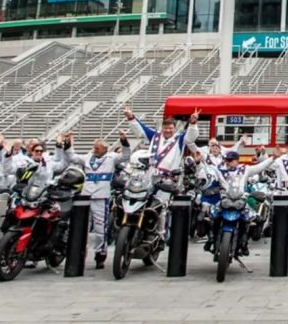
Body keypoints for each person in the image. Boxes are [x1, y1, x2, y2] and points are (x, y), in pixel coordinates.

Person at [65, 136, 125, 268]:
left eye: (97, 148)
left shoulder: (111, 158)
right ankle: (81, 253)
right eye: (94, 148)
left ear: (105, 149)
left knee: (100, 227)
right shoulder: (88, 157)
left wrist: (124, 141)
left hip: (101, 196)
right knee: (83, 227)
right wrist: (68, 144)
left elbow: (126, 155)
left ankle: (100, 254)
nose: (95, 150)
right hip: (86, 195)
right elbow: (72, 157)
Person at [123, 105, 199, 176]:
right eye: (165, 128)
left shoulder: (180, 139)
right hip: (149, 177)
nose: (168, 130)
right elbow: (141, 129)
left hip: (169, 179)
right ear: (162, 128)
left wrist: (193, 123)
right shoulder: (155, 135)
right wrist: (130, 117)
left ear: (175, 129)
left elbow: (190, 137)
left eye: (170, 128)